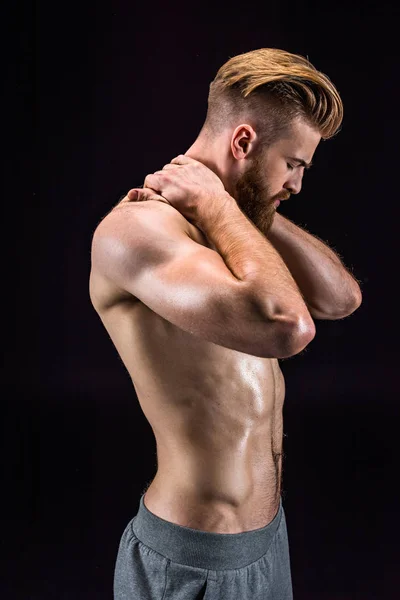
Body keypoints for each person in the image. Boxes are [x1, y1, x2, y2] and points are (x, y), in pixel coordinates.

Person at [89, 48, 362, 600]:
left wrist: (225, 203)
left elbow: (341, 299)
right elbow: (290, 327)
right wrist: (217, 206)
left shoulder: (234, 225)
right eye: (294, 164)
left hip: (267, 543)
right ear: (243, 143)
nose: (297, 185)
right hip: (190, 562)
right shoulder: (137, 230)